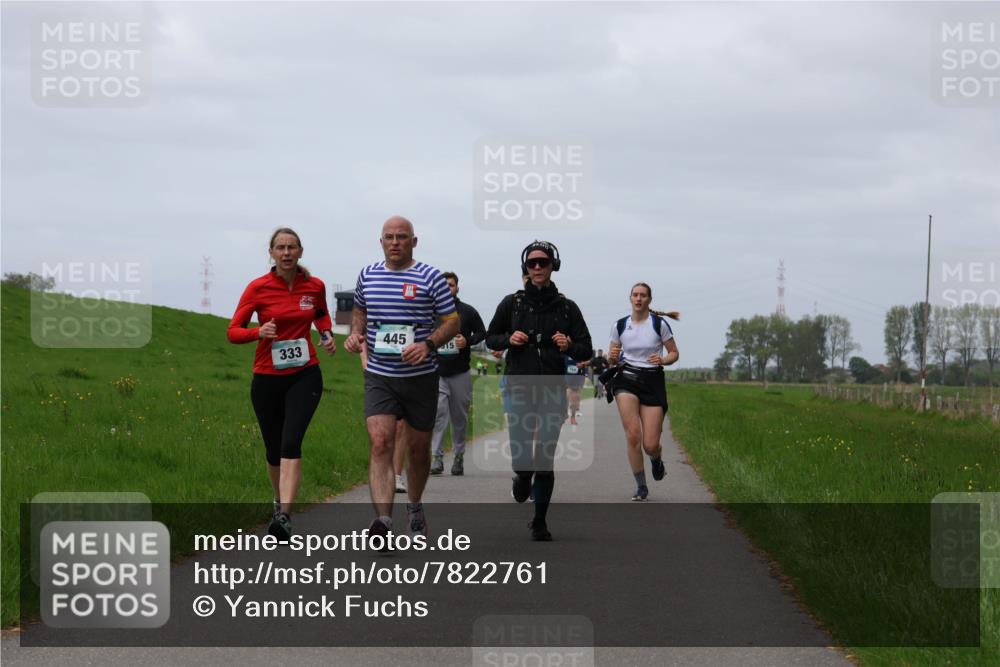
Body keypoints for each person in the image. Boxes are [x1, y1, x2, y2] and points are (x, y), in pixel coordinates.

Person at [344, 216, 460, 541]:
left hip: (421, 377)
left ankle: (414, 504)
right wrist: (355, 336)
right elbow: (359, 316)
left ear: (414, 241)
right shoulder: (368, 275)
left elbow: (452, 322)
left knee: (419, 450)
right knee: (381, 442)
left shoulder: (431, 277)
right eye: (389, 237)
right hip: (380, 375)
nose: (395, 242)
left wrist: (428, 344)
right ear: (380, 241)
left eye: (402, 237)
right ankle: (383, 520)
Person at [227, 228, 336, 539]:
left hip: (305, 374)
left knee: (291, 442)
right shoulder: (258, 288)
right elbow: (233, 331)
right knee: (273, 448)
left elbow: (321, 314)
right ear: (272, 253)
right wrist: (257, 333)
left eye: (292, 247)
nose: (286, 253)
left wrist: (325, 333)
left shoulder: (314, 286)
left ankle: (284, 516)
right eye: (280, 248)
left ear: (301, 251)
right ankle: (278, 503)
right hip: (266, 377)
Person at [486, 241, 592, 541]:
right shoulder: (512, 303)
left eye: (542, 263)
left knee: (545, 455)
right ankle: (521, 476)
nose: (537, 268)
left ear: (552, 266)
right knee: (522, 454)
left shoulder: (567, 308)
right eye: (531, 263)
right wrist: (509, 338)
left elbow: (585, 345)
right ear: (525, 268)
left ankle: (540, 521)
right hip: (518, 385)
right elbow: (490, 338)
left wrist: (569, 345)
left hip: (552, 388)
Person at [607, 283, 679, 501]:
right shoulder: (620, 325)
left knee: (650, 444)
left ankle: (656, 458)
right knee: (632, 436)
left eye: (643, 296)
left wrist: (664, 359)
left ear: (649, 299)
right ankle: (641, 486)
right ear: (630, 298)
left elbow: (674, 353)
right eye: (635, 295)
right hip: (626, 379)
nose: (638, 299)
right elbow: (612, 357)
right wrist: (611, 357)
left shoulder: (659, 324)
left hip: (652, 381)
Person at [430, 272, 486, 476]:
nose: (447, 288)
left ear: (457, 288)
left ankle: (459, 456)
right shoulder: (430, 311)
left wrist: (467, 341)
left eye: (451, 285)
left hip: (460, 372)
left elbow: (482, 332)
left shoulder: (467, 312)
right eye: (443, 285)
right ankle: (436, 457)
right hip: (437, 372)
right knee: (438, 413)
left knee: (459, 417)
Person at [564, 355, 587, 426]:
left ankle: (573, 417)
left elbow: (585, 364)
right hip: (566, 377)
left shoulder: (580, 352)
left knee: (575, 400)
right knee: (566, 396)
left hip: (578, 377)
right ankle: (564, 413)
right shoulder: (564, 352)